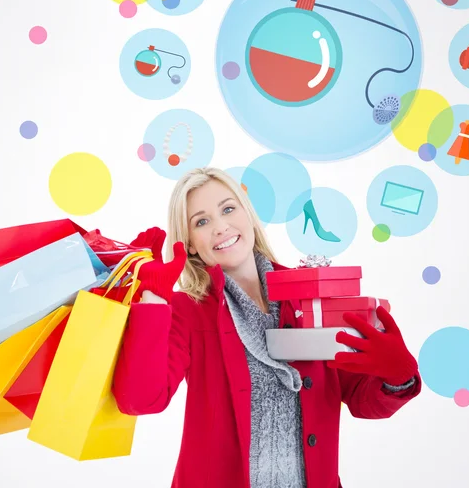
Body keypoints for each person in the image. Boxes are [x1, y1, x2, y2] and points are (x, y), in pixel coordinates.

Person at [114, 167, 421, 488]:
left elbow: (362, 399)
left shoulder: (310, 293)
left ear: (248, 215)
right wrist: (152, 296)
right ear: (190, 244)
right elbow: (141, 400)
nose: (220, 227)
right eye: (201, 221)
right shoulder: (188, 311)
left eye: (228, 209)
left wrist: (398, 378)